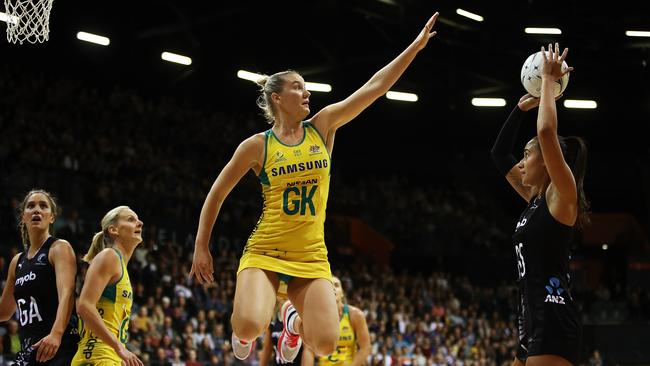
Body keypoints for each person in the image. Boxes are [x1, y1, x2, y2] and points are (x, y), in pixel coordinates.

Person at [190, 10, 439, 363]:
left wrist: (413, 48)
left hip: (310, 254)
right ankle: (259, 324)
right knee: (247, 327)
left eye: (305, 86)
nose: (306, 92)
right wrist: (202, 246)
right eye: (297, 87)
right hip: (266, 250)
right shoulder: (257, 146)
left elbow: (375, 88)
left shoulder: (322, 127)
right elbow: (216, 194)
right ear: (277, 98)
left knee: (324, 343)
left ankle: (291, 326)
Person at [491, 43, 587, 366]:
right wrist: (520, 109)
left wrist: (548, 79)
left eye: (528, 155)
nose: (520, 163)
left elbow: (546, 131)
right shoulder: (534, 201)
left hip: (553, 321)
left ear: (546, 162)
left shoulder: (561, 196)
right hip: (531, 323)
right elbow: (498, 154)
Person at [0, 189, 78, 365]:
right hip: (29, 351)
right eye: (30, 206)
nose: (36, 210)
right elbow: (4, 311)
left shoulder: (59, 248)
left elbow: (68, 292)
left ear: (52, 217)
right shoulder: (16, 261)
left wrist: (56, 334)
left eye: (43, 206)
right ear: (23, 217)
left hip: (58, 347)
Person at [72, 206, 144, 366]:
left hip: (108, 357)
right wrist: (119, 347)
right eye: (131, 219)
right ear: (113, 230)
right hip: (97, 356)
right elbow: (84, 306)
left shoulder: (120, 264)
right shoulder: (109, 256)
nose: (140, 223)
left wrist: (120, 351)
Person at [302, 276, 370, 366]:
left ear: (342, 293)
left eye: (336, 285)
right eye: (329, 286)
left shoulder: (355, 315)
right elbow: (308, 350)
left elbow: (365, 348)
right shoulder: (315, 317)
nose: (333, 288)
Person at [259, 297, 310, 365]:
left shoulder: (300, 319)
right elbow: (267, 348)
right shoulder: (273, 320)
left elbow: (307, 349)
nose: (285, 296)